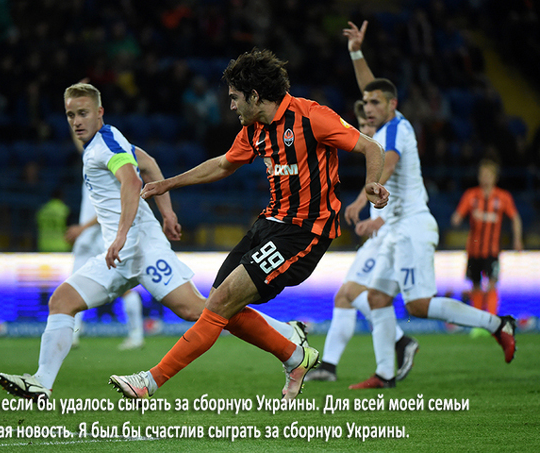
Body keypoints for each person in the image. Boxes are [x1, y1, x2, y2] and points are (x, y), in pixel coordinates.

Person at [0, 82, 308, 400]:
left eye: (83, 113)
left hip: (142, 249)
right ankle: (42, 382)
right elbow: (147, 164)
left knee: (201, 310)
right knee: (62, 301)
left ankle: (286, 335)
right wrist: (167, 212)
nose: (76, 121)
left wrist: (123, 234)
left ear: (100, 112)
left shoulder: (105, 144)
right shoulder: (105, 142)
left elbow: (132, 181)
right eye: (70, 115)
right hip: (120, 254)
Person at [109, 48, 389, 401]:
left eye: (234, 97)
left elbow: (372, 148)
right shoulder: (254, 129)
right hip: (268, 223)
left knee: (222, 302)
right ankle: (294, 356)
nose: (231, 106)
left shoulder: (312, 117)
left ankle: (149, 382)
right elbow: (223, 164)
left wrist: (372, 183)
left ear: (254, 96)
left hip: (304, 232)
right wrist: (169, 183)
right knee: (217, 305)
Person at [340, 21, 516, 390]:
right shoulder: (386, 120)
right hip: (396, 229)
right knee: (376, 297)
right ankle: (385, 374)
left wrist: (362, 199)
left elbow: (388, 165)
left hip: (412, 227)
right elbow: (372, 88)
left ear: (392, 105)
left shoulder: (396, 130)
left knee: (418, 305)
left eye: (375, 103)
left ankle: (497, 324)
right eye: (366, 102)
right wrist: (356, 52)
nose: (368, 107)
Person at [305, 101, 419, 383]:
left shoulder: (390, 153)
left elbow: (406, 198)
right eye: (363, 126)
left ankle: (401, 340)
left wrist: (379, 221)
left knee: (353, 291)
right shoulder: (374, 154)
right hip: (377, 238)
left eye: (370, 124)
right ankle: (329, 367)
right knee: (343, 296)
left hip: (390, 236)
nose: (368, 129)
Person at [65, 129, 145, 351]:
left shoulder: (117, 172)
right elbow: (82, 143)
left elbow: (111, 207)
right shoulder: (95, 161)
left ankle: (137, 336)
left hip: (106, 236)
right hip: (89, 238)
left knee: (124, 287)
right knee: (76, 284)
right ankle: (72, 335)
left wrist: (82, 227)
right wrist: (73, 120)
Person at [451, 158, 523, 315]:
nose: (485, 178)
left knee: (491, 284)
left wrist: (517, 239)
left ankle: (491, 319)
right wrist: (458, 219)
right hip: (474, 250)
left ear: (495, 177)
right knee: (476, 285)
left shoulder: (502, 197)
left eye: (488, 175)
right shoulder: (471, 195)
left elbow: (515, 218)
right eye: (482, 175)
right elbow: (456, 217)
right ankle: (478, 321)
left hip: (492, 250)